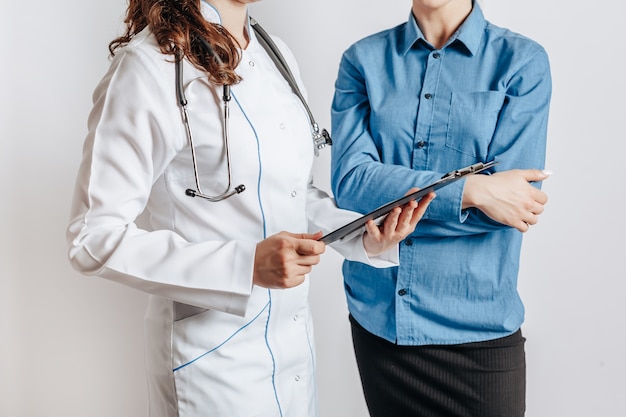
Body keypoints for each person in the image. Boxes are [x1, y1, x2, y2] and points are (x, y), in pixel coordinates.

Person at [65, 0, 435, 416]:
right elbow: (92, 238)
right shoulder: (150, 65)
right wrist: (244, 265)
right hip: (212, 364)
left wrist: (361, 231)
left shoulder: (274, 53)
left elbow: (293, 194)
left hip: (292, 350)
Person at [330, 1, 551, 416]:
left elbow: (512, 208)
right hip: (382, 324)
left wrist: (386, 208)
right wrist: (474, 191)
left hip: (477, 330)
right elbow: (350, 185)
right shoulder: (362, 61)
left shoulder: (522, 62)